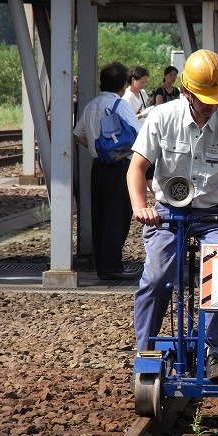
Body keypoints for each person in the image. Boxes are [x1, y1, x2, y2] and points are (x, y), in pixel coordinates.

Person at [127, 49, 218, 384]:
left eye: (215, 98)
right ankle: (145, 351)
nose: (210, 105)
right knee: (157, 275)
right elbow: (137, 168)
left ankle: (213, 351)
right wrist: (140, 205)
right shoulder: (161, 117)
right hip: (168, 213)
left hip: (216, 215)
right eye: (203, 99)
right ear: (185, 92)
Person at [73, 61, 143, 281]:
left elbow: (78, 134)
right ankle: (112, 266)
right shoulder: (120, 105)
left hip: (99, 167)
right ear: (123, 83)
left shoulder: (91, 105)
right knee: (118, 216)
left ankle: (102, 265)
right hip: (120, 166)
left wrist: (97, 149)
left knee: (100, 215)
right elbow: (139, 134)